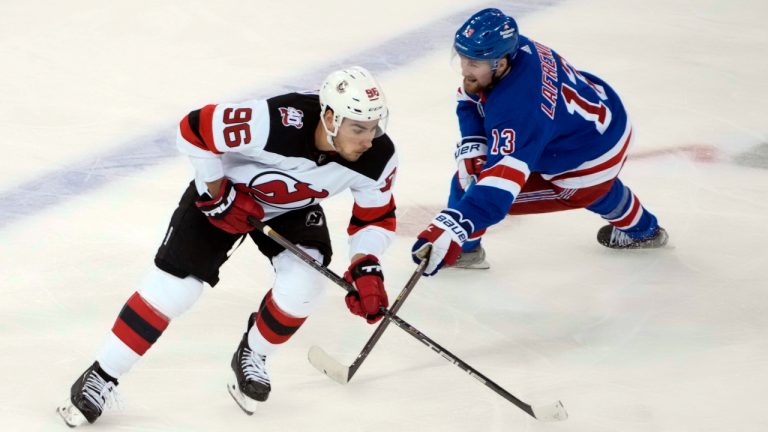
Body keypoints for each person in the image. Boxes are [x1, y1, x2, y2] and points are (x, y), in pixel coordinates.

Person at [57, 66, 398, 426]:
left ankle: (254, 354)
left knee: (304, 285)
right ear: (329, 118)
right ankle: (102, 375)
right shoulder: (273, 123)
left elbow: (374, 217)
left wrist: (367, 263)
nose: (369, 139)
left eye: (374, 127)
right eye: (358, 129)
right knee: (174, 291)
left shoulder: (378, 157)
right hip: (229, 194)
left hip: (292, 208)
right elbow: (194, 128)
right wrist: (217, 191)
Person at [412, 8, 668, 276]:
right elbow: (469, 99)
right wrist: (475, 143)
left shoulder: (518, 110)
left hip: (588, 158)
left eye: (474, 63)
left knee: (469, 185)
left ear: (500, 63)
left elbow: (496, 192)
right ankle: (642, 229)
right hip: (604, 123)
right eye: (462, 58)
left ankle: (465, 251)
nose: (465, 70)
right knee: (593, 184)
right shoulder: (518, 48)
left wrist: (454, 227)